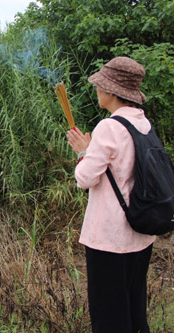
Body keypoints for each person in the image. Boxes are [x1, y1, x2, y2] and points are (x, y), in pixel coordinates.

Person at [67, 56, 156, 332]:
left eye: (100, 85)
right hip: (141, 233)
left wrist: (83, 151)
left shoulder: (108, 126)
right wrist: (93, 151)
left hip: (109, 240)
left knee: (109, 317)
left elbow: (84, 178)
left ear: (111, 91)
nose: (97, 90)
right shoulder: (142, 123)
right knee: (133, 310)